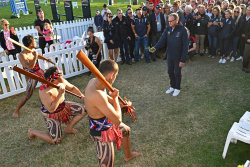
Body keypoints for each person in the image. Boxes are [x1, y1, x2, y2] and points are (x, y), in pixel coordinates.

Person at [84, 60, 141, 166]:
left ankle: (128, 155)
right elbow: (118, 120)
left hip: (106, 120)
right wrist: (115, 99)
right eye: (115, 76)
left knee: (125, 130)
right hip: (100, 132)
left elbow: (104, 96)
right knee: (106, 164)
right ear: (111, 75)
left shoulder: (95, 81)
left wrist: (119, 104)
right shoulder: (96, 94)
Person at [28, 66, 86, 144]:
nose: (61, 80)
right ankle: (32, 131)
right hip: (51, 114)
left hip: (63, 107)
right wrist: (60, 94)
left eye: (60, 77)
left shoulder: (61, 81)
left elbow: (72, 88)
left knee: (85, 109)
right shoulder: (44, 90)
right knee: (56, 140)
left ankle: (69, 128)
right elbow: (51, 109)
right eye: (57, 78)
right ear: (50, 80)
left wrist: (81, 95)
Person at [151, 13, 188, 96]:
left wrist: (183, 59)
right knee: (170, 72)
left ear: (176, 20)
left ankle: (177, 88)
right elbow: (161, 41)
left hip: (178, 56)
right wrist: (155, 48)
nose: (169, 23)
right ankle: (172, 86)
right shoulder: (167, 29)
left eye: (171, 21)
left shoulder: (182, 30)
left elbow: (185, 46)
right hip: (170, 55)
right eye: (168, 21)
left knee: (177, 73)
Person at [12, 35, 46, 118]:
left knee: (50, 84)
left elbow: (37, 56)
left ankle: (50, 102)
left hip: (39, 71)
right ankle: (16, 111)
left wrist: (46, 59)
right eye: (34, 41)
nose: (35, 42)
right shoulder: (22, 55)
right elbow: (29, 67)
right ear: (31, 44)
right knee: (28, 95)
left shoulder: (32, 50)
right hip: (32, 75)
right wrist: (35, 57)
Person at [242, 6, 250, 72]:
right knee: (246, 54)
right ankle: (245, 66)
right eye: (247, 10)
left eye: (249, 10)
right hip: (247, 40)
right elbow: (247, 30)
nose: (248, 11)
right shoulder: (243, 17)